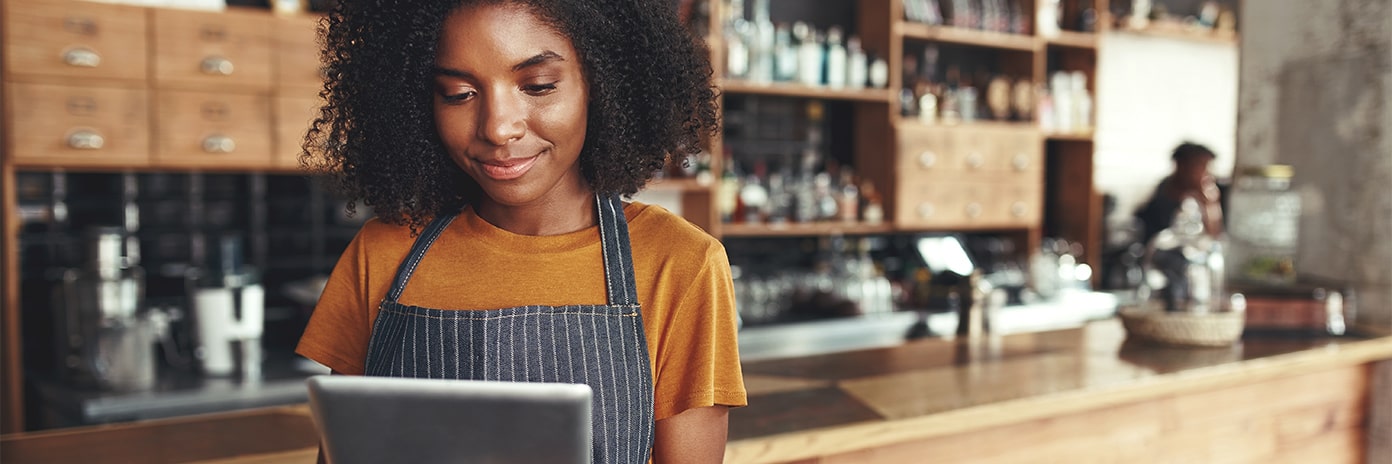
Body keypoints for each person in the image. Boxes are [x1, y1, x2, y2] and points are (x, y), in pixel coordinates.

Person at [293, 1, 747, 462]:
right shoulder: (382, 251)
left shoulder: (681, 263)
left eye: (538, 86)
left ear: (605, 84)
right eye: (458, 93)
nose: (498, 127)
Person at [1133, 142, 1225, 245]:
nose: (1207, 173)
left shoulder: (1211, 191)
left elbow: (1215, 236)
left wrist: (1210, 204)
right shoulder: (1167, 190)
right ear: (1181, 166)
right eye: (1201, 166)